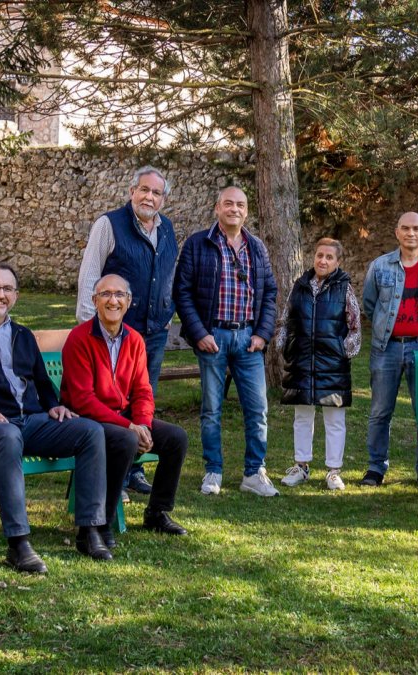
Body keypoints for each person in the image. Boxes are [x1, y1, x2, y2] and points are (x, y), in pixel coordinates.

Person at [0, 263, 127, 568]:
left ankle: (90, 530)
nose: (0, 294)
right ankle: (18, 543)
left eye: (7, 289)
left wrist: (53, 404)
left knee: (90, 430)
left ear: (16, 296)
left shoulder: (22, 335)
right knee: (8, 435)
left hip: (32, 423)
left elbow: (42, 381)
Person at [75, 166, 178, 499]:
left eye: (156, 193)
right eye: (144, 190)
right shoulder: (109, 225)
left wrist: (167, 313)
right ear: (132, 191)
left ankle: (134, 470)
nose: (149, 197)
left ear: (163, 199)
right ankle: (111, 478)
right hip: (111, 333)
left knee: (143, 400)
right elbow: (90, 275)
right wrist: (89, 328)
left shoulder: (167, 229)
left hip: (153, 333)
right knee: (109, 402)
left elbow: (169, 274)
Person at [61, 274, 189, 536]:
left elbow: (143, 390)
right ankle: (103, 523)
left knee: (176, 437)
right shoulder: (79, 338)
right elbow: (82, 400)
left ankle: (157, 512)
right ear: (95, 301)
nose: (113, 300)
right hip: (89, 421)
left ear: (129, 301)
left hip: (126, 418)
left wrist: (142, 424)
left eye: (119, 294)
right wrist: (129, 426)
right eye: (106, 294)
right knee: (125, 439)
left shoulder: (134, 340)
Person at [174, 186, 280, 497]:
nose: (235, 209)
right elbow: (182, 292)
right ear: (217, 208)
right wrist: (199, 333)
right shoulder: (198, 244)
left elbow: (270, 293)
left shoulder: (256, 247)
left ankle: (254, 473)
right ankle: (213, 471)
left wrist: (262, 334)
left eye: (241, 205)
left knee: (257, 409)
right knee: (211, 410)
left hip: (248, 340)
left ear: (246, 211)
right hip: (213, 338)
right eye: (229, 203)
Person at [360, 212, 418, 489]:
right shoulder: (380, 266)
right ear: (397, 232)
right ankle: (376, 468)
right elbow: (369, 304)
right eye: (405, 228)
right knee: (380, 411)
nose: (410, 233)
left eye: (416, 228)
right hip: (386, 347)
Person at [275, 238, 361, 490]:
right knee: (302, 417)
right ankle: (301, 467)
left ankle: (333, 471)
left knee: (334, 419)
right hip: (301, 362)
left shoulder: (344, 288)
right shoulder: (299, 286)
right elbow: (286, 319)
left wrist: (342, 352)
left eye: (329, 257)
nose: (323, 260)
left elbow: (355, 326)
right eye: (319, 255)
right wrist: (285, 347)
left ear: (337, 262)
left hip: (332, 365)